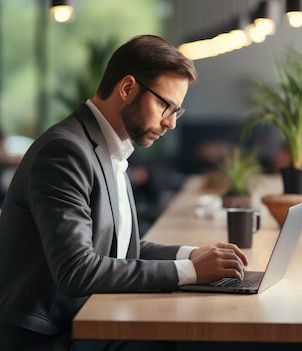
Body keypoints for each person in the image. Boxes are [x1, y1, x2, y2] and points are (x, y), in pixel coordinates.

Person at [0, 34, 248, 351]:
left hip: (86, 318)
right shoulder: (65, 151)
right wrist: (191, 271)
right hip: (50, 336)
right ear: (128, 88)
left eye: (177, 110)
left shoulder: (109, 149)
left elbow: (120, 247)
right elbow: (77, 270)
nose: (171, 122)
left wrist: (192, 255)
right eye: (165, 105)